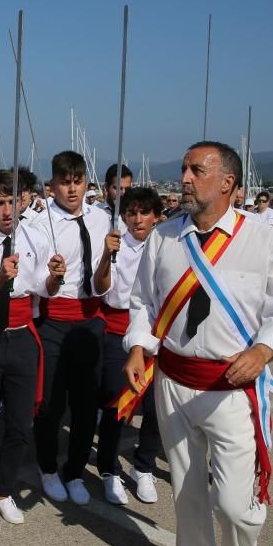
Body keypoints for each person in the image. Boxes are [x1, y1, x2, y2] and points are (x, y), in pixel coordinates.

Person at [123, 141, 273, 546]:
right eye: (184, 168)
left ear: (228, 183)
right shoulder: (164, 237)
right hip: (173, 380)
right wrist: (137, 347)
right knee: (185, 487)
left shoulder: (264, 240)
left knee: (233, 501)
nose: (184, 178)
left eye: (196, 170)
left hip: (231, 386)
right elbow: (142, 302)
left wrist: (263, 351)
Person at [0, 169, 56, 534]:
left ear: (25, 200)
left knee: (20, 424)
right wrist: (0, 278)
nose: (5, 210)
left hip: (20, 337)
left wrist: (56, 277)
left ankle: (4, 490)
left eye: (12, 201)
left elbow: (43, 289)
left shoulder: (35, 237)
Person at [30, 150, 111, 505]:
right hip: (53, 320)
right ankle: (48, 468)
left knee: (86, 402)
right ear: (52, 186)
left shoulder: (102, 219)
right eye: (65, 182)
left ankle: (75, 470)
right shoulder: (38, 223)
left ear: (86, 184)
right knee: (50, 404)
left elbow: (105, 283)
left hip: (90, 318)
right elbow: (37, 285)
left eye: (78, 181)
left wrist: (109, 255)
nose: (72, 189)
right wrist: (51, 276)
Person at [93, 186, 163, 505]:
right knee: (116, 406)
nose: (137, 219)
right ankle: (108, 468)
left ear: (156, 217)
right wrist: (107, 255)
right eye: (131, 212)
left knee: (156, 408)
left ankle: (143, 466)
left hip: (156, 334)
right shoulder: (113, 244)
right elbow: (101, 287)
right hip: (117, 329)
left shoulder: (166, 246)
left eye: (144, 212)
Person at [97, 163, 133, 232]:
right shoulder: (94, 213)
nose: (123, 193)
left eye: (127, 189)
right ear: (106, 187)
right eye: (118, 188)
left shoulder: (135, 216)